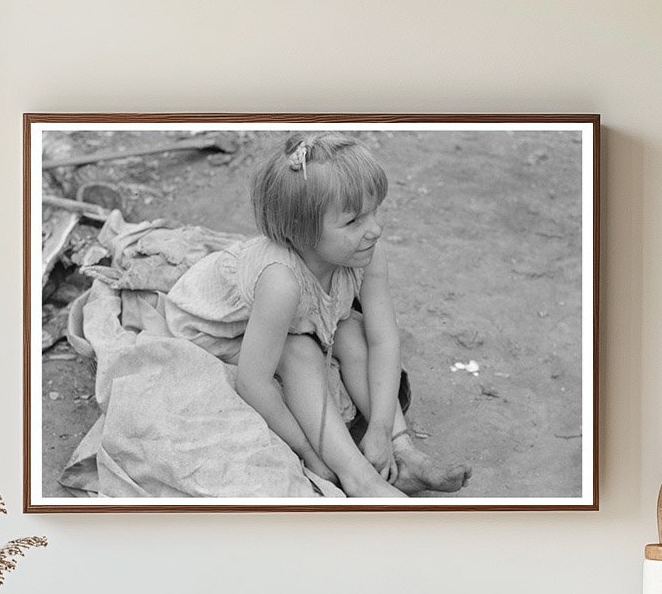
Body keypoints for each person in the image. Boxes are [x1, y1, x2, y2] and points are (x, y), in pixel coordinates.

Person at [165, 131, 471, 498]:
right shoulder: (282, 281)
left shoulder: (367, 252)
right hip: (216, 332)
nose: (375, 229)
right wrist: (308, 452)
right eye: (353, 221)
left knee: (353, 330)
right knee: (300, 352)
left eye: (374, 212)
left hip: (290, 319)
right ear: (303, 233)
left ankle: (402, 450)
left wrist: (380, 427)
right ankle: (361, 480)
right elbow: (253, 382)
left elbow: (383, 338)